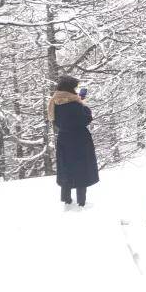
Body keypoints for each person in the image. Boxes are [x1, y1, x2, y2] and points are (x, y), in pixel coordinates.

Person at [48, 75, 99, 208]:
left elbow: (56, 121)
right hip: (79, 139)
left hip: (63, 138)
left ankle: (66, 200)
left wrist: (79, 102)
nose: (76, 91)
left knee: (66, 168)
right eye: (75, 88)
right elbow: (86, 118)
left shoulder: (54, 102)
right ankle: (81, 202)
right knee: (81, 169)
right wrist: (83, 104)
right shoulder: (75, 104)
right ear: (70, 88)